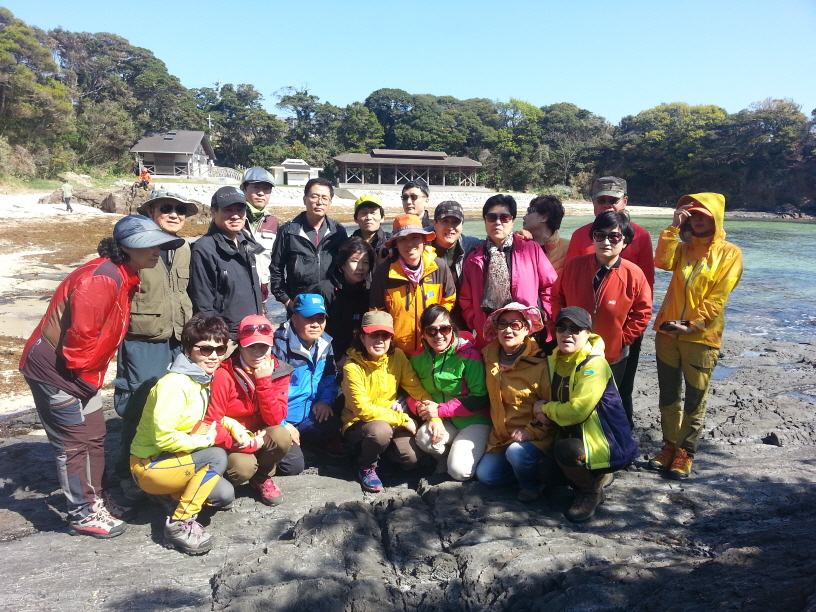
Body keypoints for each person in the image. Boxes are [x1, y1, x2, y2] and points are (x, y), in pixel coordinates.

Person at [19, 215, 184, 538]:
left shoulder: (125, 275)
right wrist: (82, 383)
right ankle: (81, 512)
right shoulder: (102, 280)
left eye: (160, 245)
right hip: (57, 371)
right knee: (73, 444)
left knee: (95, 436)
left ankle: (97, 498)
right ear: (126, 248)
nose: (157, 251)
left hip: (82, 373)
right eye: (150, 245)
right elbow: (80, 339)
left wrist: (89, 378)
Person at [113, 189, 200, 501]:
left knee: (177, 405)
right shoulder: (133, 247)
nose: (175, 214)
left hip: (180, 338)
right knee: (138, 404)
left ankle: (163, 466)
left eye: (181, 210)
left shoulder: (186, 248)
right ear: (150, 211)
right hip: (141, 339)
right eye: (167, 208)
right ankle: (127, 473)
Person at [649, 193, 743, 480]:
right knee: (668, 396)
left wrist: (694, 325)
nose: (699, 219)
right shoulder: (683, 248)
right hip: (668, 333)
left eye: (705, 215)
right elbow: (661, 261)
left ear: (717, 218)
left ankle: (684, 453)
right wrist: (673, 227)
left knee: (694, 400)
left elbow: (719, 296)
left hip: (701, 338)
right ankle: (669, 446)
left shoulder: (730, 253)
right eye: (694, 215)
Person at [130, 314, 235, 555]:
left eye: (220, 350)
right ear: (188, 350)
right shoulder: (174, 385)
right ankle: (179, 524)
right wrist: (207, 439)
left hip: (173, 460)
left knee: (224, 495)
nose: (213, 356)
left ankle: (166, 495)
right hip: (149, 465)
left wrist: (233, 426)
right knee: (216, 456)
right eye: (205, 349)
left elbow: (202, 420)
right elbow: (164, 438)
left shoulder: (201, 380)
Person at [533, 307, 639, 522]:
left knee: (566, 451)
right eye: (562, 327)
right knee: (545, 472)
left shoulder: (594, 364)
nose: (567, 333)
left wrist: (544, 408)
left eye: (575, 328)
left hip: (607, 442)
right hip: (577, 436)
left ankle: (591, 492)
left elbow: (577, 411)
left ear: (588, 333)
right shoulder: (556, 359)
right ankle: (599, 475)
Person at [565, 176, 655, 426]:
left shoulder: (641, 236)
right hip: (579, 333)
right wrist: (565, 326)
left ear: (624, 201)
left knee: (621, 389)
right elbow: (566, 284)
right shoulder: (580, 235)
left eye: (612, 200)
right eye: (601, 200)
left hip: (622, 332)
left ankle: (623, 437)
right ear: (593, 203)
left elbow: (646, 289)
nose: (607, 205)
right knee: (579, 386)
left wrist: (624, 335)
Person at [207, 315, 293, 506]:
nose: (258, 353)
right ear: (240, 346)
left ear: (272, 345)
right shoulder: (224, 373)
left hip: (260, 433)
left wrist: (264, 383)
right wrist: (245, 444)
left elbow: (275, 419)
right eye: (250, 346)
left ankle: (261, 477)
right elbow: (213, 422)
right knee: (243, 468)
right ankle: (228, 481)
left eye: (263, 346)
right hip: (232, 439)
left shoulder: (280, 371)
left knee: (281, 435)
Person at [342, 311, 433, 492]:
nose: (380, 340)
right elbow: (363, 410)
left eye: (385, 335)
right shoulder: (352, 367)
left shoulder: (397, 356)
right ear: (362, 337)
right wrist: (403, 419)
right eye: (373, 335)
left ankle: (381, 456)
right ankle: (367, 466)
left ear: (391, 338)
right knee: (380, 431)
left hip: (391, 419)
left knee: (411, 457)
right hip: (360, 423)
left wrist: (432, 411)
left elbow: (415, 387)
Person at [474, 303, 553, 502]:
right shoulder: (488, 356)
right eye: (502, 324)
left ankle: (533, 484)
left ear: (527, 329)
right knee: (487, 476)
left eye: (515, 325)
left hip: (534, 437)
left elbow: (551, 409)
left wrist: (530, 433)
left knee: (516, 453)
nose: (508, 330)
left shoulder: (541, 364)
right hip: (501, 438)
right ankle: (522, 471)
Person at [460, 194, 557, 349]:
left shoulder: (530, 249)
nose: (497, 222)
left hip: (527, 334)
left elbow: (551, 286)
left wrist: (543, 316)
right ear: (485, 221)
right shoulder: (474, 258)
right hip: (488, 337)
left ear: (512, 221)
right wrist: (476, 321)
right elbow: (466, 299)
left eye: (504, 217)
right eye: (492, 217)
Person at [408, 305, 491, 481]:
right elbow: (410, 390)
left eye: (444, 329)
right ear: (423, 333)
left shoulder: (468, 354)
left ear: (452, 328)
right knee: (424, 439)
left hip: (473, 422)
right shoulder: (417, 358)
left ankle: (465, 455)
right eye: (431, 331)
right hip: (444, 422)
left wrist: (438, 411)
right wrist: (422, 409)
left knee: (459, 472)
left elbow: (479, 398)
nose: (438, 335)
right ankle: (446, 457)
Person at [271, 294, 341, 475]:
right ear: (295, 319)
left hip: (308, 413)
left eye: (320, 318)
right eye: (309, 318)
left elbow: (329, 377)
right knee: (293, 467)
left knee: (334, 421)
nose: (316, 324)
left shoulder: (325, 342)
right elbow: (267, 392)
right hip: (282, 418)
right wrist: (282, 423)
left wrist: (324, 401)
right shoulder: (278, 346)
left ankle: (307, 443)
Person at [370, 214, 456, 355]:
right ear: (395, 244)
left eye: (415, 237)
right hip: (396, 353)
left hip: (431, 349)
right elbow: (377, 313)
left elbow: (449, 300)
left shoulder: (439, 266)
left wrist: (435, 330)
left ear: (423, 239)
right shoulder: (383, 273)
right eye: (403, 239)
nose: (409, 244)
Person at [189, 186, 263, 340]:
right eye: (228, 210)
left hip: (252, 333)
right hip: (226, 337)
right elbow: (203, 302)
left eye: (240, 210)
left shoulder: (247, 243)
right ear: (213, 212)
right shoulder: (203, 248)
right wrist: (216, 338)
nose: (235, 216)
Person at [269, 178, 348, 310]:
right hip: (299, 301)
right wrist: (287, 301)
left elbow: (345, 265)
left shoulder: (338, 231)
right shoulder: (288, 231)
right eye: (314, 196)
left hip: (331, 300)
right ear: (305, 199)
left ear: (330, 202)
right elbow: (276, 268)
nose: (319, 202)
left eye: (324, 198)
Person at [311, 237, 375, 360]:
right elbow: (313, 329)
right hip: (326, 355)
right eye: (355, 261)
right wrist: (337, 357)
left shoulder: (368, 291)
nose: (360, 267)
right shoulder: (325, 290)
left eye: (365, 262)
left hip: (357, 355)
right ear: (342, 265)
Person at [428, 201, 482, 330]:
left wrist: (524, 234)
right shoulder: (421, 244)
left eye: (455, 222)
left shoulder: (472, 245)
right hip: (430, 320)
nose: (450, 227)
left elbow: (498, 240)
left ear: (462, 225)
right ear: (434, 223)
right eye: (445, 221)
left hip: (462, 321)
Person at [241, 167, 279, 303]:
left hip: (261, 291)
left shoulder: (273, 222)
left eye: (266, 189)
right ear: (243, 189)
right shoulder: (232, 219)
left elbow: (275, 261)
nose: (261, 193)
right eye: (256, 187)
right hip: (235, 289)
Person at [521, 194, 570, 276]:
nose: (524, 217)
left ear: (544, 217)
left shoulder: (569, 247)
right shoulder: (517, 245)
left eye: (529, 211)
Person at [351, 194, 391, 265]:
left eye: (373, 213)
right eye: (364, 213)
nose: (369, 217)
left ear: (382, 218)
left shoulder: (392, 243)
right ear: (355, 219)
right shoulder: (348, 246)